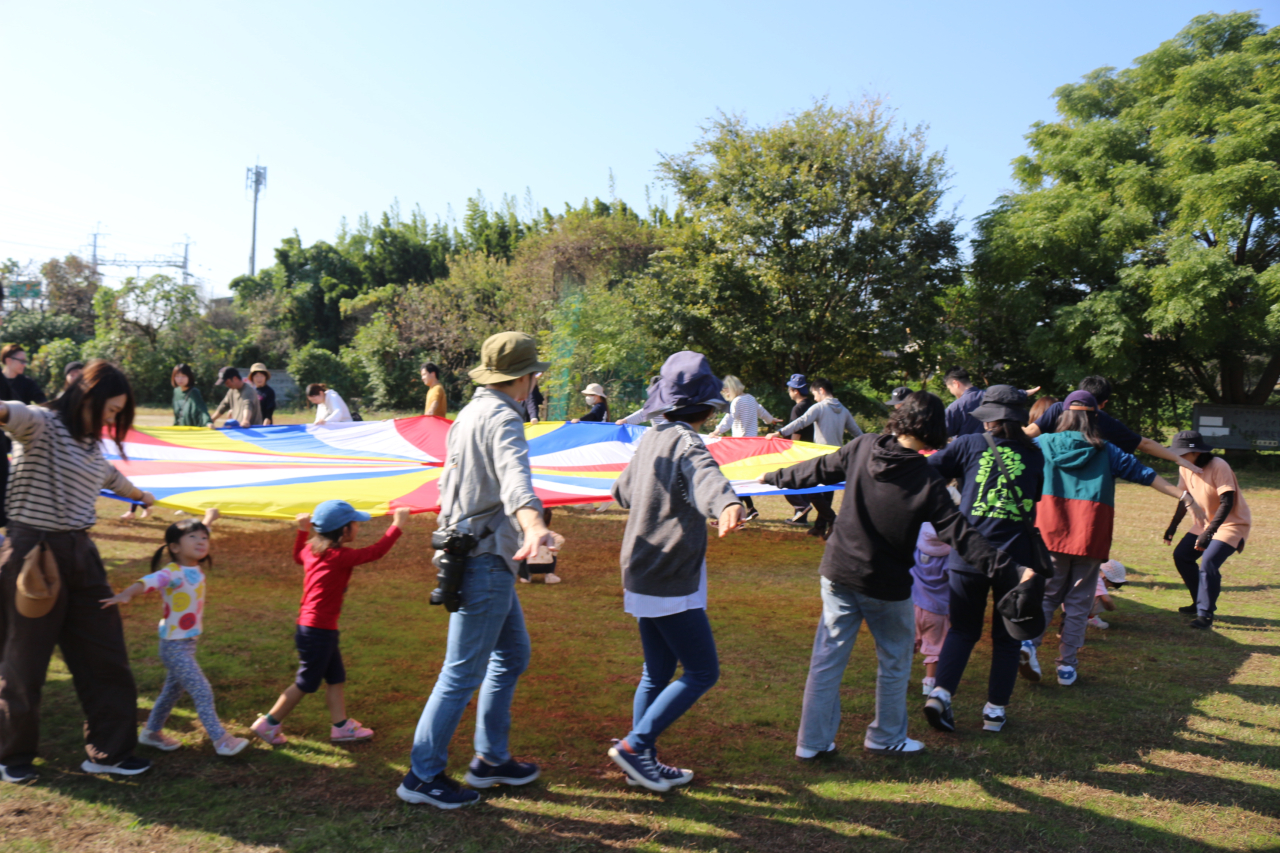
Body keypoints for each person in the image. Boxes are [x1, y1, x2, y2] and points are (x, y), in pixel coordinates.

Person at [760, 392, 1031, 759]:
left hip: (838, 573)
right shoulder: (926, 479)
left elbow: (816, 470)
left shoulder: (863, 446)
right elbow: (961, 535)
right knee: (894, 661)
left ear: (901, 418)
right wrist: (1009, 569)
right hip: (884, 587)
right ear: (936, 429)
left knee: (827, 660)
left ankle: (812, 743)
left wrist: (770, 477)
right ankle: (885, 737)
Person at [398, 331, 555, 810]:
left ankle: (490, 759)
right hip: (485, 561)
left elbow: (450, 484)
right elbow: (516, 480)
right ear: (524, 378)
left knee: (512, 655)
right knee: (461, 673)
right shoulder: (505, 418)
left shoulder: (467, 414)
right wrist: (534, 526)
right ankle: (422, 775)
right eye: (533, 376)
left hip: (475, 556)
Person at [0, 360, 157, 782]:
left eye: (118, 414)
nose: (112, 420)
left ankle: (110, 751)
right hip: (34, 553)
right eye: (111, 410)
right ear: (87, 394)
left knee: (105, 653)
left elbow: (107, 475)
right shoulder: (41, 424)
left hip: (82, 555)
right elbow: (12, 413)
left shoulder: (90, 443)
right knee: (24, 660)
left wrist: (142, 496)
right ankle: (11, 755)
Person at [607, 351, 744, 791]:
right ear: (705, 408)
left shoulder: (649, 438)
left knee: (656, 672)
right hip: (667, 572)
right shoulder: (686, 440)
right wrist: (725, 503)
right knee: (703, 671)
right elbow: (706, 476)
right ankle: (635, 746)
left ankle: (640, 759)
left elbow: (621, 494)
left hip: (642, 568)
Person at [1021, 391, 1202, 687]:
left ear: (1062, 416)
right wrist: (1182, 495)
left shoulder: (1041, 444)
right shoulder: (1107, 450)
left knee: (1048, 594)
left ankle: (1029, 644)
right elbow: (1145, 474)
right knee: (1079, 600)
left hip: (1050, 533)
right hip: (1090, 535)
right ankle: (1067, 666)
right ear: (1094, 417)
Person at [921, 385, 1045, 734]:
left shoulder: (966, 444)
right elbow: (1032, 497)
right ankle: (994, 714)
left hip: (968, 553)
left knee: (962, 630)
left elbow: (927, 473)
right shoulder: (1034, 455)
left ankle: (941, 696)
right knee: (1006, 638)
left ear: (988, 416)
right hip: (1015, 562)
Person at [251, 502, 411, 747]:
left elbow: (297, 556)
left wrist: (303, 530)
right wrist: (397, 525)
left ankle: (341, 727)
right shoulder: (339, 557)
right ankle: (269, 723)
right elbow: (375, 552)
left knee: (336, 676)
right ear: (344, 531)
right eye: (356, 524)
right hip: (318, 631)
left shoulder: (310, 551)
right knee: (306, 682)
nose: (358, 527)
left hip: (314, 628)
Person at [99, 509, 249, 757]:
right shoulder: (172, 572)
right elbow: (148, 581)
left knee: (171, 692)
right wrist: (127, 593)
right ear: (175, 547)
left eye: (205, 538)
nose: (202, 542)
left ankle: (151, 732)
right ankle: (221, 740)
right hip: (174, 646)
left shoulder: (193, 563)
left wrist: (209, 520)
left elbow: (201, 534)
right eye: (194, 538)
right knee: (202, 690)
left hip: (188, 644)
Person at [1163, 430, 1251, 630]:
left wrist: (1209, 533)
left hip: (1231, 524)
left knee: (1209, 562)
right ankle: (1198, 602)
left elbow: (1227, 502)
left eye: (1182, 452)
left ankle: (1205, 614)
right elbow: (1184, 498)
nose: (1178, 456)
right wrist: (1173, 526)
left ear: (1196, 453)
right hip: (1204, 523)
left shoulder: (1219, 466)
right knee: (1182, 556)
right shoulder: (1184, 466)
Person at [1025, 376, 1201, 474]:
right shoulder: (1105, 421)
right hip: (1087, 486)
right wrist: (1177, 458)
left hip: (1049, 478)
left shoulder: (1057, 409)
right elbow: (1144, 444)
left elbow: (1029, 432)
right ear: (1104, 403)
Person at [769, 378, 863, 539]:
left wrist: (779, 432)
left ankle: (833, 521)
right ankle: (821, 528)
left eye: (814, 393)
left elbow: (801, 422)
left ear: (821, 390)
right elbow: (857, 433)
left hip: (822, 457)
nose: (814, 397)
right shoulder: (844, 410)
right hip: (838, 457)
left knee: (810, 488)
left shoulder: (820, 408)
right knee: (826, 493)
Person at [710, 375, 778, 521]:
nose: (725, 393)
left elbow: (729, 418)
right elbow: (761, 411)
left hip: (740, 444)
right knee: (739, 477)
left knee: (735, 478)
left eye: (725, 390)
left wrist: (716, 431)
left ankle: (736, 515)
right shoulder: (750, 398)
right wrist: (771, 420)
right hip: (752, 444)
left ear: (731, 388)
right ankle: (750, 508)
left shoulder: (737, 401)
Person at [910, 523, 951, 697]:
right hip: (937, 610)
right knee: (935, 647)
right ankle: (929, 682)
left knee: (907, 643)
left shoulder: (915, 551)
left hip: (911, 605)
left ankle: (900, 676)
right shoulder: (949, 558)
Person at [782, 374, 817, 525]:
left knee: (784, 478)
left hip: (799, 449)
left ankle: (801, 506)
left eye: (789, 389)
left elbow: (797, 430)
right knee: (804, 483)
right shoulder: (813, 405)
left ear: (795, 391)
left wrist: (791, 450)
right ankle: (801, 516)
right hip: (812, 448)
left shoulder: (798, 408)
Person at [942, 368, 985, 438]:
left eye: (949, 388)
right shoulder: (990, 396)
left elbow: (942, 433)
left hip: (969, 447)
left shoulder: (955, 407)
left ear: (955, 383)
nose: (951, 392)